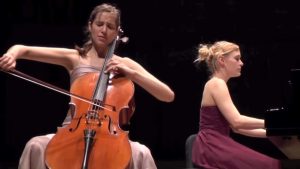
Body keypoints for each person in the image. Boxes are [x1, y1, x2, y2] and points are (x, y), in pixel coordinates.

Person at [0, 3, 174, 169]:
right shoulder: (75, 58)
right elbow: (23, 49)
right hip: (71, 131)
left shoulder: (124, 64)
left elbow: (167, 95)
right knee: (35, 146)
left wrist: (131, 73)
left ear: (116, 33)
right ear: (90, 26)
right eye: (99, 24)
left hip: (110, 137)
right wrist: (11, 55)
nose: (104, 30)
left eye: (110, 26)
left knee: (142, 153)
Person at [192, 41, 281, 169]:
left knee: (272, 164)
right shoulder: (217, 84)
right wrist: (273, 122)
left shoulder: (217, 83)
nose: (241, 63)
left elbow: (237, 129)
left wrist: (273, 132)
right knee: (270, 165)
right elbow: (237, 122)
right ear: (222, 60)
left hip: (212, 144)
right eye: (237, 59)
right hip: (211, 146)